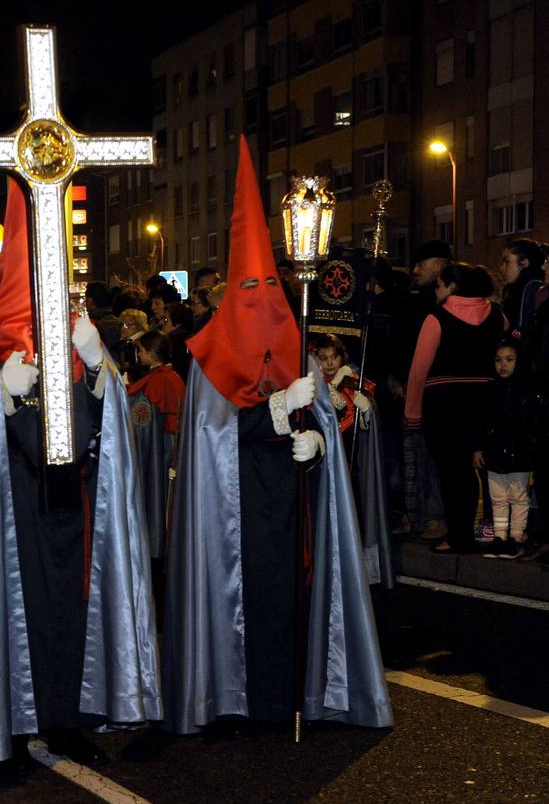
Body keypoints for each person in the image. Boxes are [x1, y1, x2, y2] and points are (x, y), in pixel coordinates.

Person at [0, 179, 162, 773]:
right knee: (13, 612)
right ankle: (8, 727)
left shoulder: (78, 334)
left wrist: (99, 363)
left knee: (71, 613)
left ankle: (65, 720)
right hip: (12, 505)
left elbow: (107, 426)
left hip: (72, 501)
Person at [163, 137, 391, 734]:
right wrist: (272, 412)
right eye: (247, 291)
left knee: (291, 598)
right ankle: (232, 698)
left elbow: (320, 417)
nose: (258, 303)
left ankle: (295, 693)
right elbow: (211, 441)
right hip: (233, 514)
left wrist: (316, 443)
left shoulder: (294, 342)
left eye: (268, 290)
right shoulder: (206, 357)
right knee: (243, 601)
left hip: (289, 506)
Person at [404, 262, 506, 554]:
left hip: (444, 403)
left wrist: (413, 412)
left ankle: (458, 535)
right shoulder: (497, 315)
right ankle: (493, 531)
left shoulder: (437, 317)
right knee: (484, 470)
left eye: (439, 285)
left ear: (451, 287)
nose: (436, 291)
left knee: (453, 471)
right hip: (486, 400)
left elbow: (419, 369)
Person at [313, 334, 394, 586]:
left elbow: (366, 425)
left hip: (351, 457)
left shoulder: (356, 382)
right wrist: (331, 389)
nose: (328, 363)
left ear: (342, 356)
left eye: (333, 357)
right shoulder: (313, 384)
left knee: (354, 508)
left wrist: (366, 411)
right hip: (323, 458)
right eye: (323, 358)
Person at [394, 241, 452, 540]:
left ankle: (435, 516)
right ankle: (413, 514)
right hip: (409, 389)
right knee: (411, 459)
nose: (416, 271)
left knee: (431, 459)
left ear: (439, 266)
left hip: (433, 393)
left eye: (422, 264)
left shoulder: (442, 307)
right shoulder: (412, 299)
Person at [473, 339, 537, 559]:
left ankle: (516, 537)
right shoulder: (490, 389)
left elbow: (530, 423)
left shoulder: (526, 389)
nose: (503, 365)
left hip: (519, 454)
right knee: (498, 497)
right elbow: (481, 421)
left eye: (509, 360)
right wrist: (478, 448)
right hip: (495, 453)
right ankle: (500, 537)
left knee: (518, 497)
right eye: (498, 360)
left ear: (519, 362)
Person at [125, 331, 184, 561]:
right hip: (169, 446)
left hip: (160, 450)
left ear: (150, 353)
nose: (138, 355)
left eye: (140, 351)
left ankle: (156, 544)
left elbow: (143, 419)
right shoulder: (173, 377)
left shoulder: (158, 381)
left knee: (157, 495)